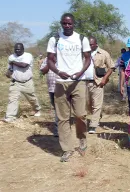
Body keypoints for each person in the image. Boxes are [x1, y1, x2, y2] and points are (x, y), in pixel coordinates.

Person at [46, 13, 91, 162]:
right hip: (60, 82)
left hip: (78, 81)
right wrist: (58, 72)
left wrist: (81, 72)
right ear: (61, 24)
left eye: (69, 24)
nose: (67, 26)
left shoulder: (81, 39)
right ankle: (67, 149)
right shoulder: (55, 39)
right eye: (64, 23)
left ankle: (82, 139)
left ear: (74, 24)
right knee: (63, 118)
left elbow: (88, 58)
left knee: (80, 115)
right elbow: (50, 60)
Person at [3, 43, 41, 122]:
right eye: (16, 49)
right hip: (15, 82)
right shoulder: (11, 57)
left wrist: (13, 62)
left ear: (23, 49)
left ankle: (37, 109)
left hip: (27, 82)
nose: (17, 51)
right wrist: (8, 73)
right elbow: (11, 68)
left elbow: (24, 65)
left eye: (19, 49)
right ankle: (10, 117)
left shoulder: (28, 56)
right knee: (12, 99)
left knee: (32, 98)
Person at [86, 37, 115, 134]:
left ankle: (93, 125)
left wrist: (104, 79)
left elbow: (111, 67)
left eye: (91, 44)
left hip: (98, 82)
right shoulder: (84, 53)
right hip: (85, 82)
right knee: (88, 104)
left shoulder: (103, 53)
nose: (90, 46)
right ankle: (98, 116)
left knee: (97, 105)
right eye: (88, 45)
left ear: (96, 44)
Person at [39, 56, 58, 137]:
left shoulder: (65, 56)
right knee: (56, 107)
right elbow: (42, 71)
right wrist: (51, 63)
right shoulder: (47, 58)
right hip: (51, 88)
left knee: (59, 108)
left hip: (63, 87)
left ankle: (59, 129)